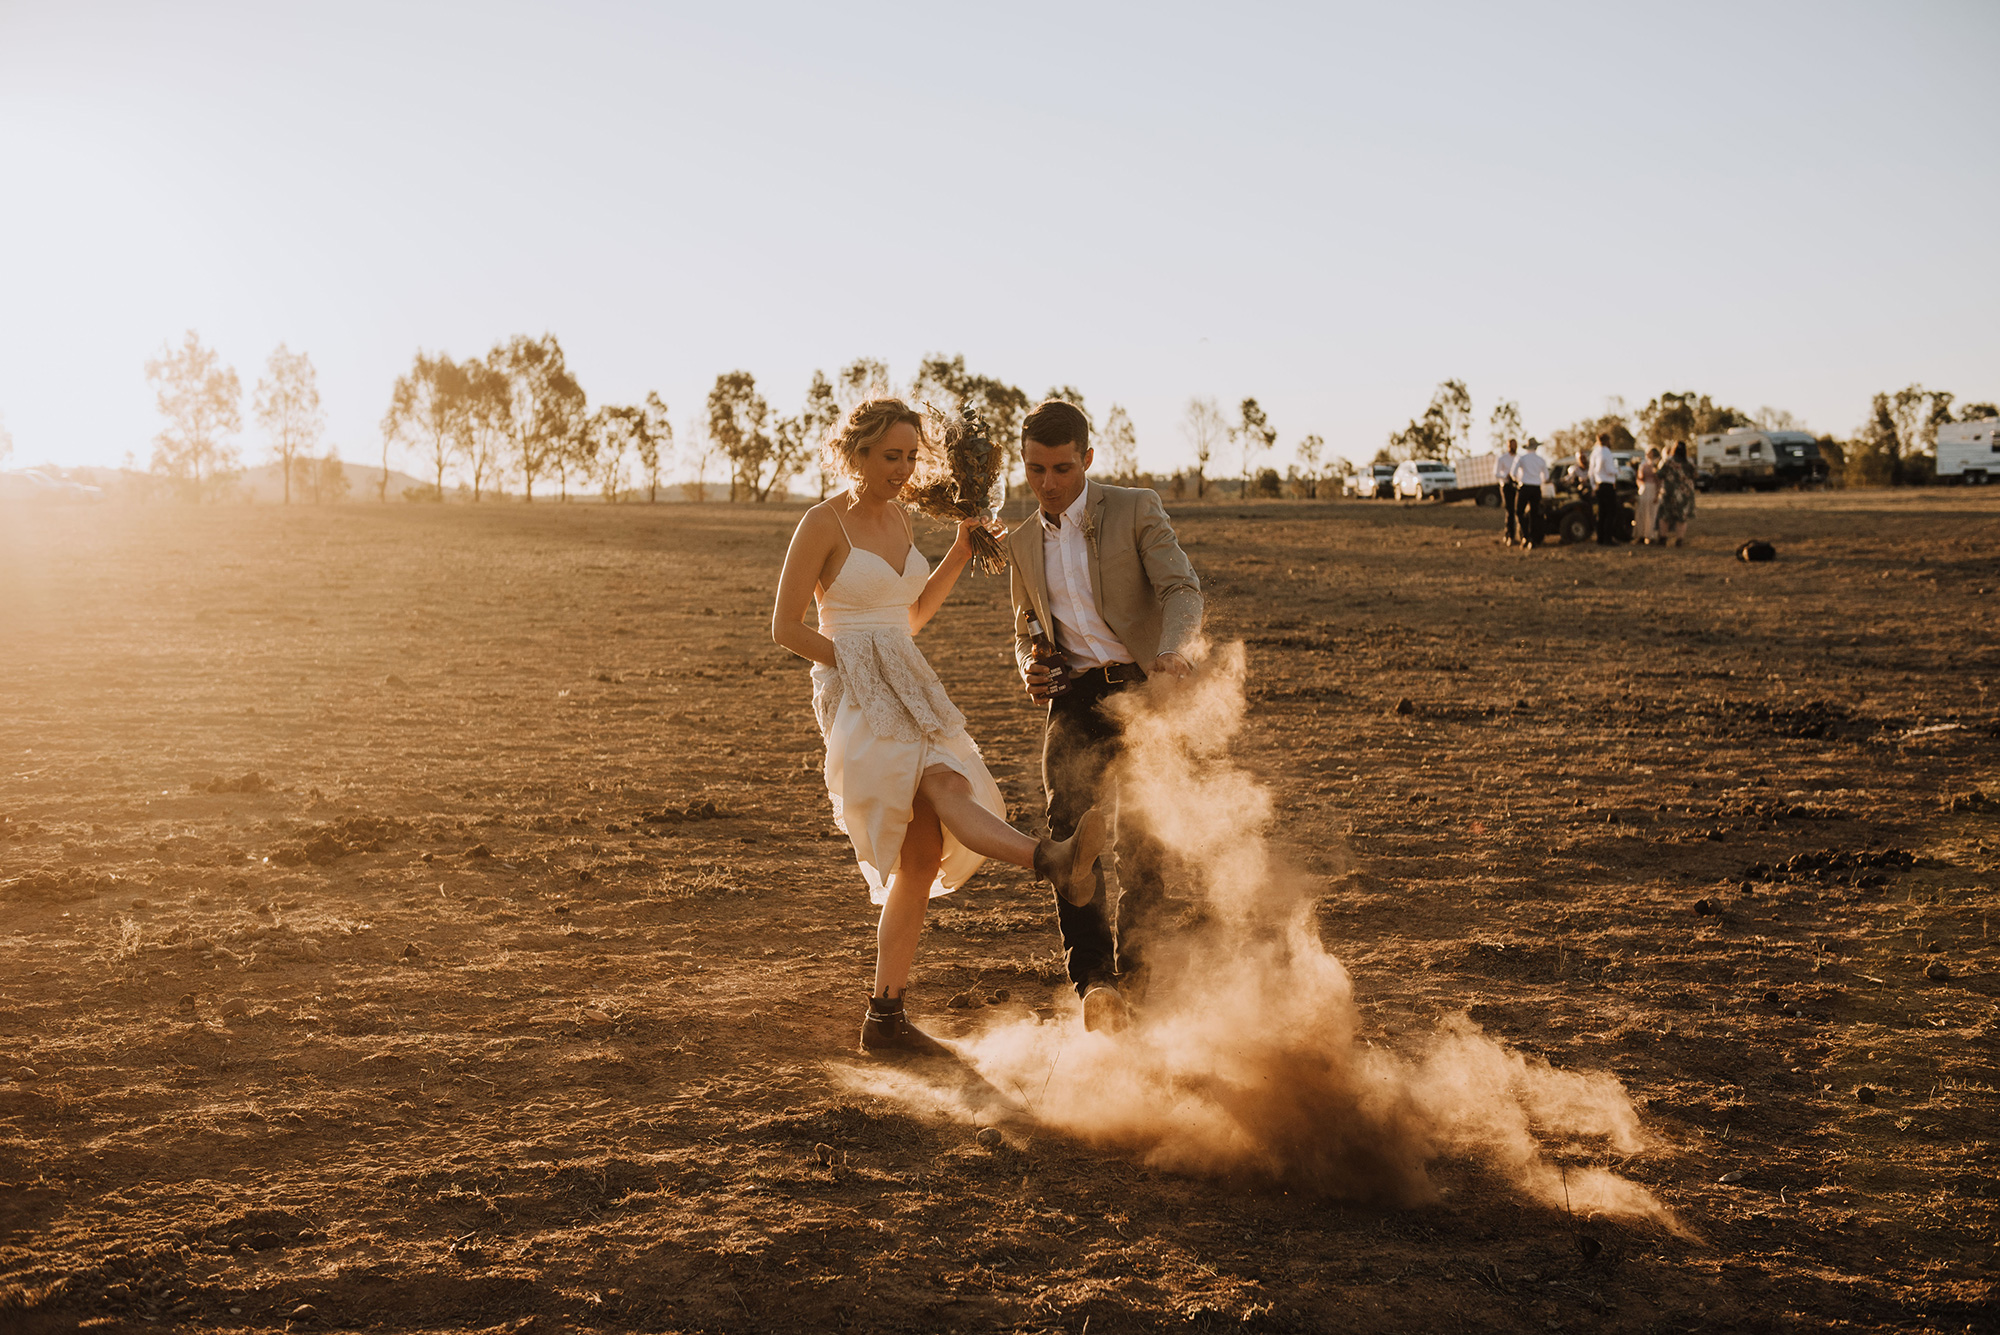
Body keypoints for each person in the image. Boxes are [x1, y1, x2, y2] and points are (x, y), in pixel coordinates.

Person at [772, 398, 1107, 1056]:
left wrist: (958, 551)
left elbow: (911, 617)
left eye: (908, 457)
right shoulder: (823, 522)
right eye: (889, 455)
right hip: (853, 689)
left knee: (922, 858)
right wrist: (855, 661)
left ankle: (884, 1019)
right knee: (945, 782)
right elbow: (785, 627)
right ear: (858, 452)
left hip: (911, 678)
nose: (902, 469)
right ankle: (1051, 857)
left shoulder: (900, 519)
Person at [1005, 400, 1204, 1033]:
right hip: (1075, 700)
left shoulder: (1135, 508)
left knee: (1143, 843)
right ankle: (1094, 984)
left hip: (1145, 689)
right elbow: (1026, 628)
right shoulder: (1020, 540)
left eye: (1062, 469)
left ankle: (1137, 985)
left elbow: (1181, 589)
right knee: (1071, 837)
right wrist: (1028, 666)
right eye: (1035, 470)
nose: (1048, 485)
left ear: (1087, 460)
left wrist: (1172, 651)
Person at [1657, 440, 1698, 546]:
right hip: (1684, 493)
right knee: (1682, 517)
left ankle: (1663, 538)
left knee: (1665, 516)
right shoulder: (1689, 462)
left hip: (1669, 492)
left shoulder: (1668, 462)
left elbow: (1660, 474)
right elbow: (1695, 475)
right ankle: (1679, 540)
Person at [1512, 439, 1549, 547]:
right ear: (1536, 447)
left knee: (1519, 512)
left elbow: (1513, 473)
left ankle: (1525, 536)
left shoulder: (1521, 458)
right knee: (1534, 514)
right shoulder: (1541, 460)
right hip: (1536, 488)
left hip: (1525, 487)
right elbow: (1546, 477)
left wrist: (1518, 481)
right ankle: (1533, 539)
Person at [1589, 432, 1622, 545]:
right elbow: (1609, 469)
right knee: (1610, 513)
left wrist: (1593, 486)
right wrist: (1617, 471)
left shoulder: (1595, 452)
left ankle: (1600, 538)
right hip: (1607, 485)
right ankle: (1608, 538)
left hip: (1598, 485)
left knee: (1601, 513)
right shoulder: (1606, 451)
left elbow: (1591, 472)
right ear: (1607, 441)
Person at [1634, 446, 1662, 545]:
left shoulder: (1656, 465)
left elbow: (1659, 481)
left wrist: (1657, 494)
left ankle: (1650, 535)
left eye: (1649, 452)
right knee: (1642, 513)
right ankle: (1640, 535)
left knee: (1651, 513)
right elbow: (1639, 478)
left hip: (1652, 489)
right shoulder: (1643, 464)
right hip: (1644, 490)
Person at [1497, 437, 1522, 546]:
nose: (1513, 447)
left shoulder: (1520, 458)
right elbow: (1496, 473)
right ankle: (1509, 535)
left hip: (1518, 485)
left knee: (1519, 511)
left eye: (1515, 445)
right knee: (1510, 511)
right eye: (1511, 445)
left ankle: (1521, 534)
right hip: (1506, 486)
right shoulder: (1502, 458)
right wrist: (1505, 475)